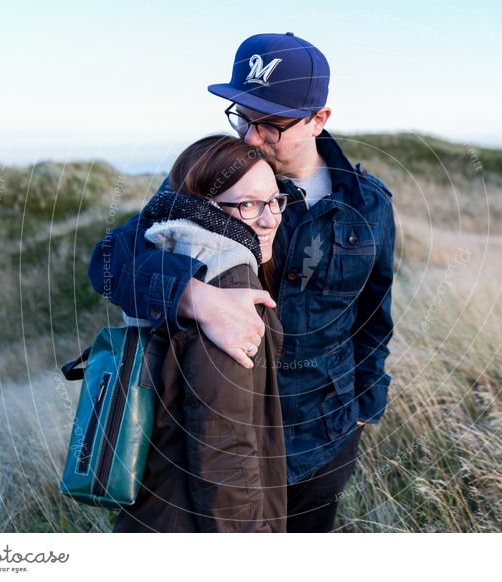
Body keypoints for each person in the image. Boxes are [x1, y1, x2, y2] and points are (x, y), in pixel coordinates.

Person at [90, 32, 395, 532]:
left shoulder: (369, 205)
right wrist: (194, 296)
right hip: (224, 440)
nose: (252, 138)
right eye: (243, 118)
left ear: (320, 119)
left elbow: (374, 318)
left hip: (326, 438)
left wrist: (365, 406)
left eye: (272, 125)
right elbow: (107, 262)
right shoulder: (213, 182)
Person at [113, 135, 287, 532]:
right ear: (204, 206)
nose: (269, 218)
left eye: (275, 200)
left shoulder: (169, 253)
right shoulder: (232, 286)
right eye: (248, 205)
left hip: (153, 507)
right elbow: (225, 449)